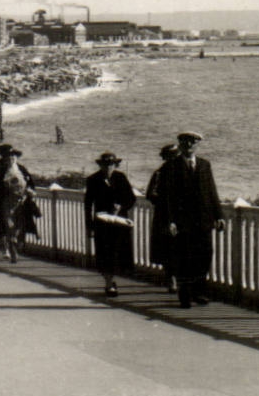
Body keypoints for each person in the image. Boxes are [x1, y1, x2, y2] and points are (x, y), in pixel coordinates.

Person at [153, 131, 226, 308]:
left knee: (204, 256)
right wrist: (169, 221)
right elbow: (166, 197)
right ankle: (185, 294)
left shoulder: (204, 165)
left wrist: (219, 215)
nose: (189, 146)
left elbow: (212, 192)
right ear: (180, 145)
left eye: (192, 143)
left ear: (197, 145)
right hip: (181, 222)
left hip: (203, 220)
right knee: (184, 258)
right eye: (185, 143)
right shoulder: (171, 167)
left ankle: (199, 291)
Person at [84, 152, 136, 297]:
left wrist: (121, 205)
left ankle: (112, 280)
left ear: (115, 165)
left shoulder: (120, 178)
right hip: (101, 223)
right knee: (104, 253)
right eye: (105, 164)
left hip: (119, 222)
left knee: (118, 253)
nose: (108, 167)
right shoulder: (93, 179)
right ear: (100, 165)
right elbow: (88, 205)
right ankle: (108, 283)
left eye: (111, 164)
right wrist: (89, 227)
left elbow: (131, 198)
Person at [0, 143, 34, 262]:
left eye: (13, 156)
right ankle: (8, 248)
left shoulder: (22, 168)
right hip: (4, 201)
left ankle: (14, 243)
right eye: (8, 156)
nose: (10, 158)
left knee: (19, 225)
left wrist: (30, 191)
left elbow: (31, 183)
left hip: (21, 201)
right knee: (5, 225)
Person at [144, 143, 180, 295]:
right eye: (171, 156)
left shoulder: (184, 172)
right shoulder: (160, 173)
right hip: (164, 216)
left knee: (182, 249)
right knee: (168, 250)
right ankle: (171, 280)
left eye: (176, 155)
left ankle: (182, 280)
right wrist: (166, 201)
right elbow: (150, 194)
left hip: (182, 216)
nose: (174, 158)